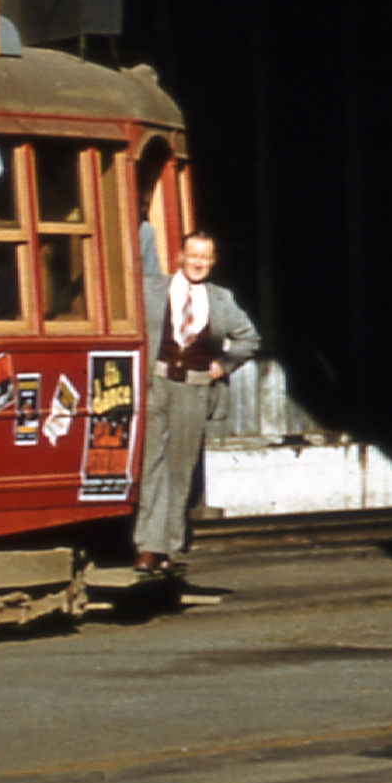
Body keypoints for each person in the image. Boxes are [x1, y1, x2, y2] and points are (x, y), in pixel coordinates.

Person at [134, 231, 259, 579]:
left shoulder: (221, 299)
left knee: (180, 469)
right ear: (180, 257)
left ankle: (169, 548)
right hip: (156, 384)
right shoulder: (151, 290)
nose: (199, 263)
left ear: (213, 261)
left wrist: (224, 364)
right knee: (151, 465)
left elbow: (249, 338)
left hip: (193, 390)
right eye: (193, 256)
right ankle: (148, 546)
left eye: (205, 257)